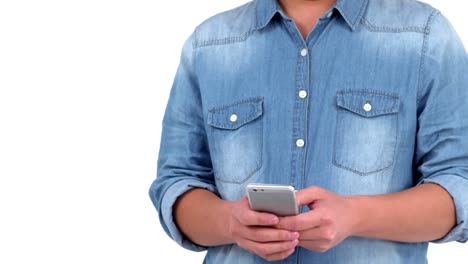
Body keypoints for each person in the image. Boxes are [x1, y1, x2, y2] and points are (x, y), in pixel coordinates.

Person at [149, 0, 468, 263]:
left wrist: (355, 215)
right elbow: (177, 182)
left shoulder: (424, 36)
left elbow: (459, 183)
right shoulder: (208, 45)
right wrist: (228, 222)